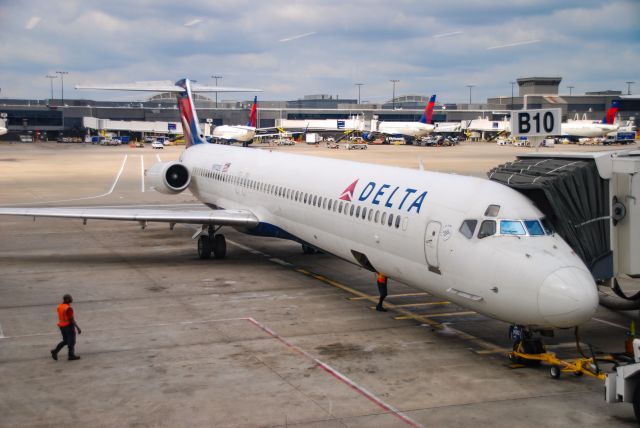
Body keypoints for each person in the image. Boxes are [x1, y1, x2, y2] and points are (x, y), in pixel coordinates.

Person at [51, 294, 82, 361]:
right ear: (67, 299)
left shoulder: (60, 306)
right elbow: (71, 319)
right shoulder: (68, 308)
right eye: (70, 298)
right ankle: (71, 355)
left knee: (65, 341)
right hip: (68, 326)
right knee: (71, 341)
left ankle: (55, 351)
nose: (72, 299)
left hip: (62, 326)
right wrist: (78, 328)